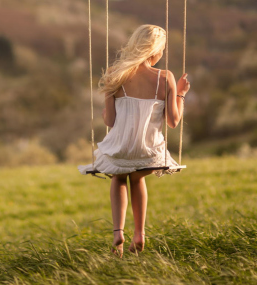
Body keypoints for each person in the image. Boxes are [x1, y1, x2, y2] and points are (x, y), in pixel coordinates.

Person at [78, 24, 190, 256]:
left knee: (119, 178)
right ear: (155, 50)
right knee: (138, 179)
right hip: (148, 150)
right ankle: (139, 233)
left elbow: (109, 121)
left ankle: (118, 232)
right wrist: (180, 94)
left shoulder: (115, 74)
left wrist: (107, 111)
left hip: (121, 147)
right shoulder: (165, 77)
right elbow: (173, 121)